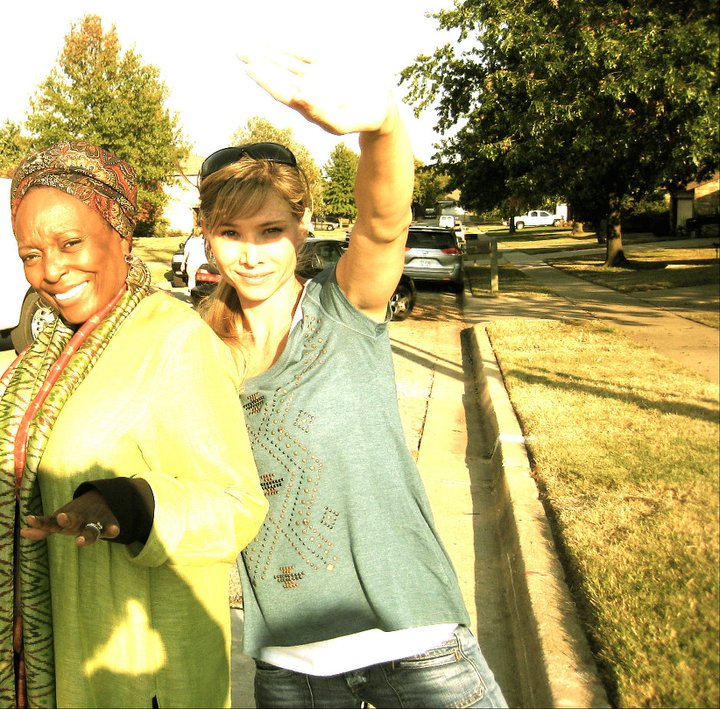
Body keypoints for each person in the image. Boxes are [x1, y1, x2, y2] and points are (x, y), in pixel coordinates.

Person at [197, 51, 508, 708]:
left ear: (303, 227)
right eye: (230, 232)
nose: (251, 254)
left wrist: (383, 126)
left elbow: (384, 221)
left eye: (271, 231)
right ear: (205, 235)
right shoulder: (196, 351)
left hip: (416, 643)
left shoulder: (345, 307)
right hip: (292, 666)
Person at [0, 140, 268, 708]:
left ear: (121, 235)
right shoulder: (49, 348)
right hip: (46, 664)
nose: (50, 271)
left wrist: (130, 506)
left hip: (139, 675)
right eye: (29, 254)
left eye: (70, 243)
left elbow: (237, 504)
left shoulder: (175, 341)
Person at [182, 227, 207, 292]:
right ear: (202, 234)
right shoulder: (204, 242)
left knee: (191, 280)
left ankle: (191, 293)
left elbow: (186, 253)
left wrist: (183, 263)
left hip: (191, 263)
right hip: (203, 264)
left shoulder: (190, 241)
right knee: (204, 281)